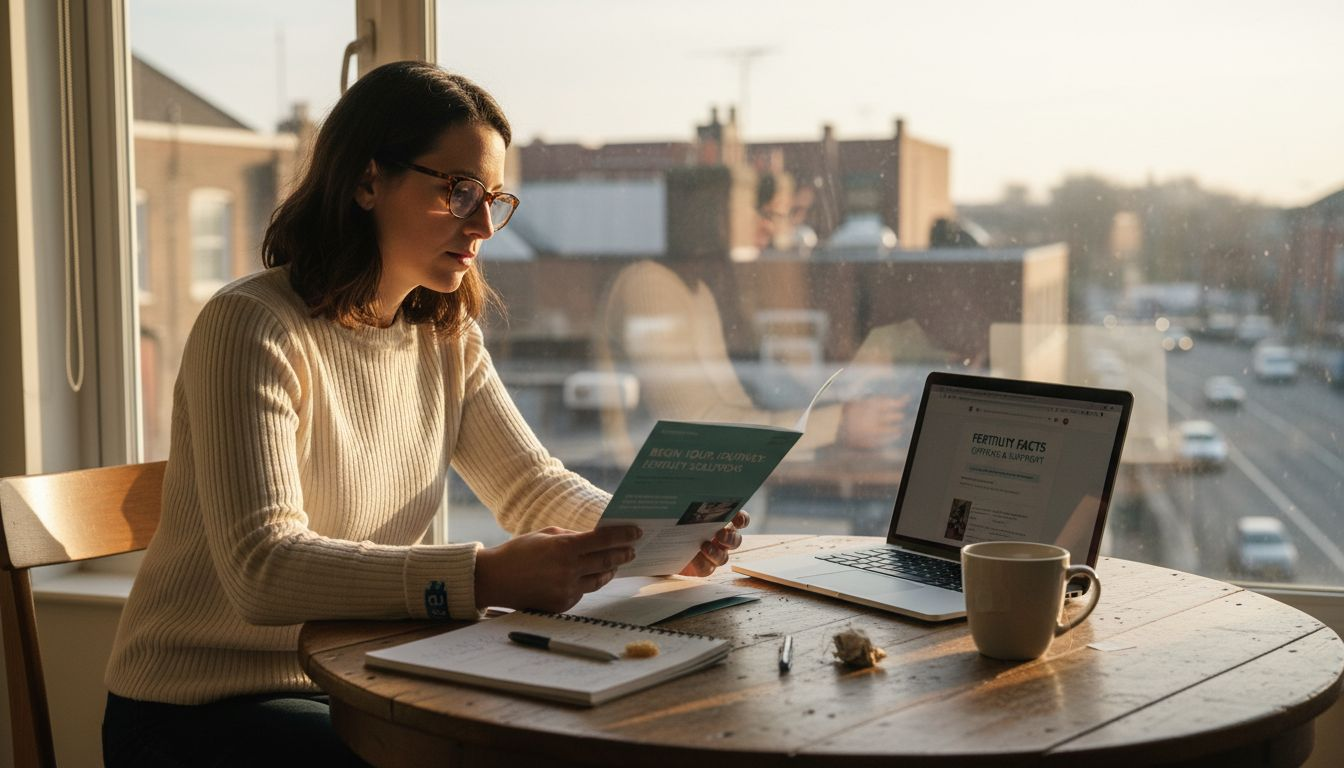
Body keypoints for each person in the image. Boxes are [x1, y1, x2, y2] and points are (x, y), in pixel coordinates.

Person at [101, 61, 747, 767]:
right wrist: (486, 579)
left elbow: (530, 486)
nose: (483, 226)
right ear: (367, 180)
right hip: (202, 707)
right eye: (459, 191)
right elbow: (264, 569)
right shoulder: (251, 325)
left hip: (365, 677)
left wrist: (656, 534)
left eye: (493, 198)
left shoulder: (443, 336)